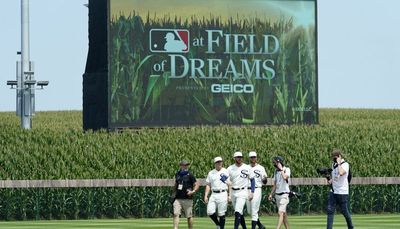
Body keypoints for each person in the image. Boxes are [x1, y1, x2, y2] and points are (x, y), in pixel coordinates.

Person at [326, 149, 354, 229]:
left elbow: (341, 173)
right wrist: (329, 180)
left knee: (345, 212)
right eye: (333, 158)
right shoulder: (333, 165)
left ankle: (351, 227)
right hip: (334, 191)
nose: (334, 160)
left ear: (339, 156)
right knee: (330, 210)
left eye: (335, 158)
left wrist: (339, 163)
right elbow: (335, 177)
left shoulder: (345, 165)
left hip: (342, 192)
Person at [228, 151, 256, 229]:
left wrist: (252, 192)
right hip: (233, 191)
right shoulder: (230, 168)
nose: (240, 158)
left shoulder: (247, 167)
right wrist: (229, 194)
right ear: (234, 158)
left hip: (243, 191)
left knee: (237, 211)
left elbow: (252, 180)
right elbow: (225, 178)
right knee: (240, 213)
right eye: (238, 157)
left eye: (241, 157)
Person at [204, 156, 230, 229]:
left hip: (223, 193)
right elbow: (208, 185)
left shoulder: (226, 171)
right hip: (214, 193)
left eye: (220, 162)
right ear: (215, 163)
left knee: (221, 213)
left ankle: (221, 227)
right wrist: (206, 195)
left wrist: (229, 195)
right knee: (209, 211)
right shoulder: (211, 173)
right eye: (217, 162)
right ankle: (218, 224)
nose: (219, 163)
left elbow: (230, 184)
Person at [172, 160, 199, 229]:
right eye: (184, 165)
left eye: (187, 165)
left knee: (189, 216)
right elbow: (176, 184)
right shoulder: (177, 174)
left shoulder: (190, 174)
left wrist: (193, 191)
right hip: (178, 198)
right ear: (181, 166)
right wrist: (173, 194)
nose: (185, 166)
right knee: (176, 214)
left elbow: (196, 184)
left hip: (187, 198)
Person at [246, 151, 267, 229]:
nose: (253, 158)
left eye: (254, 157)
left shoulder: (261, 168)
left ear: (256, 157)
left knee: (254, 211)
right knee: (249, 211)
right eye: (252, 157)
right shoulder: (246, 167)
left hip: (257, 189)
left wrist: (264, 179)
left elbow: (264, 181)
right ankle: (260, 225)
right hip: (247, 190)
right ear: (249, 158)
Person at [268, 156, 291, 229]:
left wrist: (281, 170)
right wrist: (271, 194)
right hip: (277, 195)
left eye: (276, 162)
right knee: (283, 215)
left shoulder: (286, 169)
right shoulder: (275, 172)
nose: (275, 164)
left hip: (285, 194)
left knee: (280, 212)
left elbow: (285, 177)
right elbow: (275, 184)